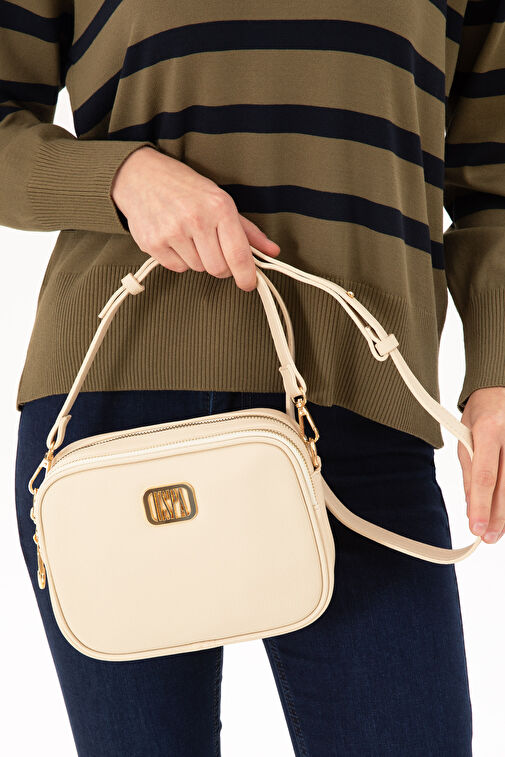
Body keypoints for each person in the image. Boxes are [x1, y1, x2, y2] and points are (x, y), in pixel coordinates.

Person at [4, 2, 505, 754]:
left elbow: (493, 184)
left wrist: (496, 371)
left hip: (363, 406)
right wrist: (121, 177)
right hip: (117, 411)